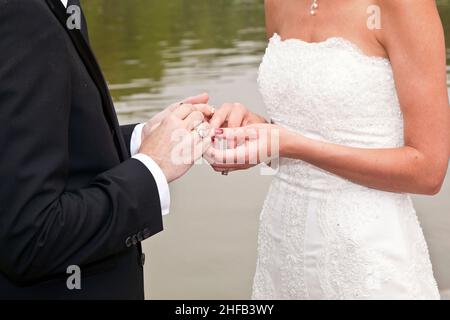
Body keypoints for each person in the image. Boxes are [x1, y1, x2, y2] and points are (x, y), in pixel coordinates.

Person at [207, 0, 450, 299]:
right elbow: (302, 130)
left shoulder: (403, 6)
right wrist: (253, 133)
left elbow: (427, 171)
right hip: (282, 247)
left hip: (366, 254)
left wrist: (293, 145)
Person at [0, 0, 212, 299]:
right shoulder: (21, 13)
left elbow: (41, 148)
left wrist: (140, 139)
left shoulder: (59, 7)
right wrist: (150, 169)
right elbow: (30, 238)